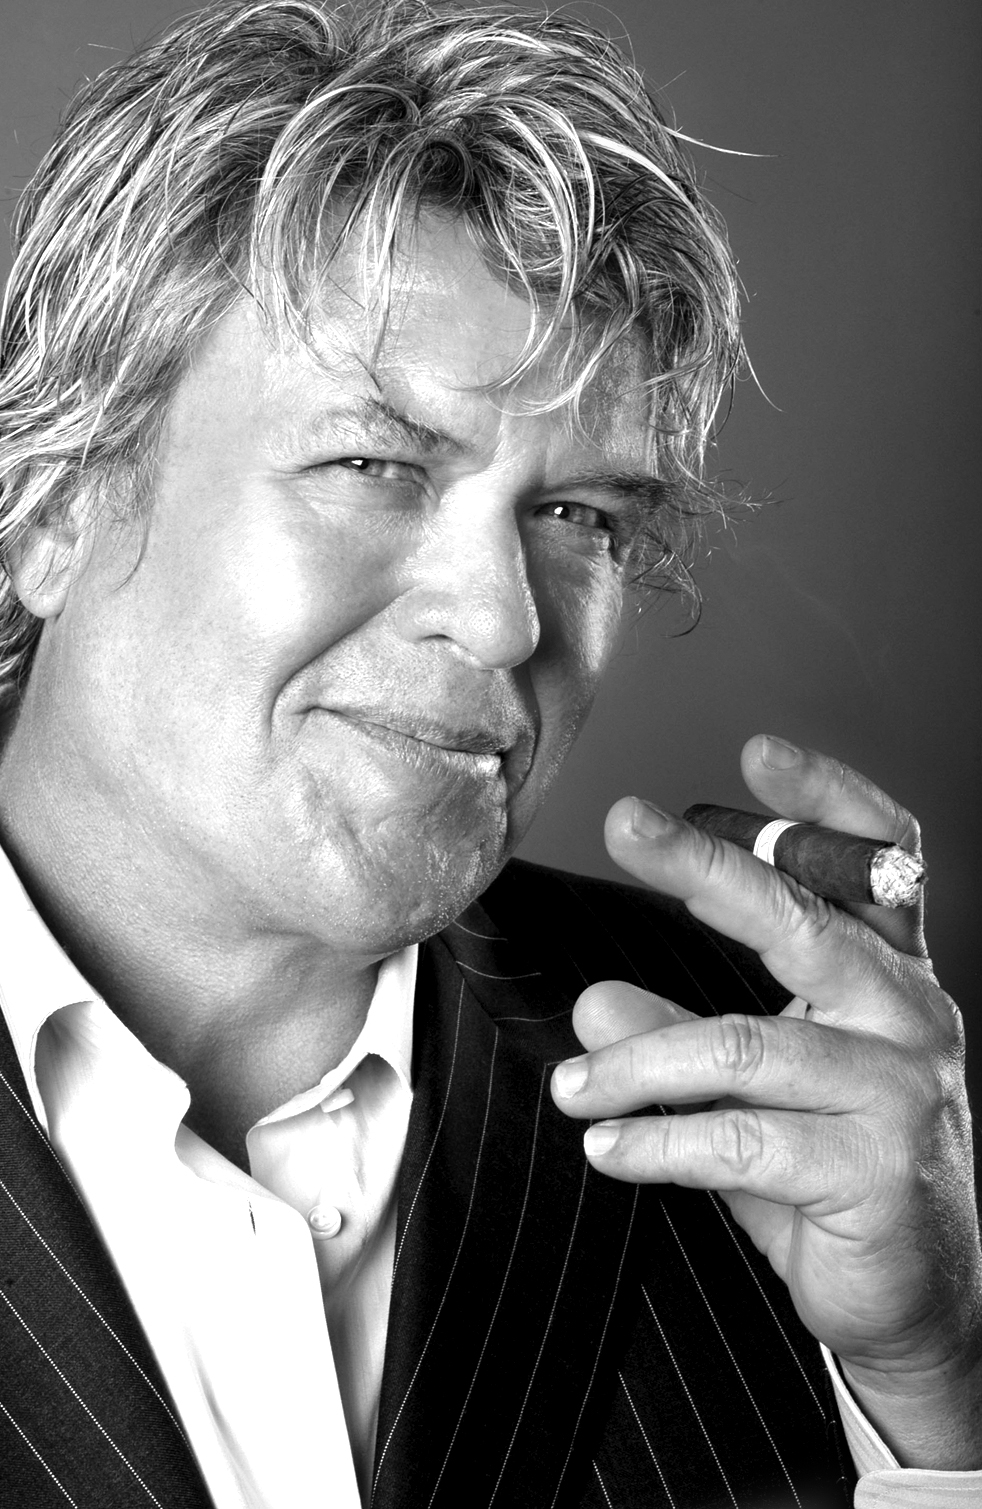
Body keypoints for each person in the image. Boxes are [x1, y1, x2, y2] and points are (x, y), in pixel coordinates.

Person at [0, 1, 978, 1505]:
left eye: (579, 515)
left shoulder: (772, 1088)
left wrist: (935, 1387)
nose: (509, 618)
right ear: (53, 505)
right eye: (370, 463)